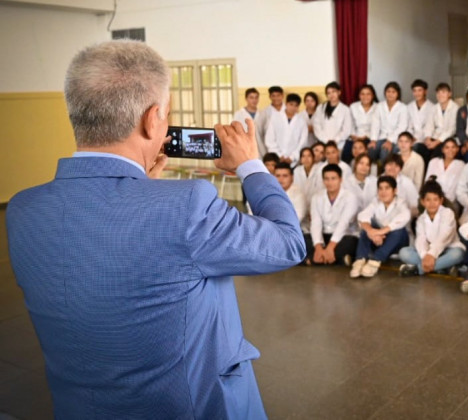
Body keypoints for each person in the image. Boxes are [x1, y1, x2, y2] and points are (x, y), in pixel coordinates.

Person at [6, 40, 306, 418]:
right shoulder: (187, 205)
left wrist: (142, 187)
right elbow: (288, 242)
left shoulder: (23, 210)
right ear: (152, 119)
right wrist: (250, 165)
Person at [398, 181, 465, 276]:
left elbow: (443, 237)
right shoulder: (421, 219)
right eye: (428, 200)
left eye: (435, 199)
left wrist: (432, 255)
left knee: (457, 254)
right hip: (428, 252)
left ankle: (418, 269)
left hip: (448, 249)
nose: (432, 203)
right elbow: (421, 239)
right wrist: (425, 255)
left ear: (441, 200)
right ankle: (442, 267)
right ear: (422, 202)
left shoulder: (447, 213)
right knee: (403, 252)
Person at [350, 175, 411, 278]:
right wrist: (370, 231)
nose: (383, 192)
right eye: (380, 188)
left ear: (395, 190)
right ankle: (360, 260)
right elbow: (363, 215)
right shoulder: (376, 201)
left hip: (398, 242)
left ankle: (375, 261)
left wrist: (379, 232)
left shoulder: (401, 202)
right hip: (379, 240)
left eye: (387, 188)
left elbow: (404, 217)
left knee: (398, 230)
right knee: (366, 227)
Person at [305, 164, 360, 266]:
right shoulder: (316, 197)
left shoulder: (350, 197)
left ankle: (312, 260)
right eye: (326, 179)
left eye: (333, 179)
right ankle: (335, 259)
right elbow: (316, 222)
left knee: (351, 243)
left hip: (342, 237)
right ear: (323, 180)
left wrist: (330, 247)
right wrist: (318, 246)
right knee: (302, 239)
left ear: (340, 180)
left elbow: (344, 223)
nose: (330, 182)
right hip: (324, 235)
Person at [370, 82, 409, 164]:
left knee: (385, 151)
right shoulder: (379, 106)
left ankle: (384, 174)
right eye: (388, 91)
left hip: (395, 138)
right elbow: (375, 124)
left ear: (397, 94)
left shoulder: (403, 108)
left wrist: (390, 141)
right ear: (385, 93)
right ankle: (371, 171)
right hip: (382, 136)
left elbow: (402, 127)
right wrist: (373, 139)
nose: (390, 94)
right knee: (372, 149)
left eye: (393, 92)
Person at [264, 93, 307, 166]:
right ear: (286, 104)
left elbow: (303, 142)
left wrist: (292, 157)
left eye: (296, 105)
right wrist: (279, 155)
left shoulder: (301, 121)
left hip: (293, 161)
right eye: (291, 104)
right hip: (276, 158)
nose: (293, 107)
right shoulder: (275, 118)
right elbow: (269, 139)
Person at [420, 82, 459, 162]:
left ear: (449, 94)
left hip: (447, 139)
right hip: (434, 137)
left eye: (443, 92)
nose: (440, 95)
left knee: (437, 152)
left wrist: (436, 142)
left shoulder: (455, 108)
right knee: (420, 149)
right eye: (438, 93)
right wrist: (428, 138)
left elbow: (452, 130)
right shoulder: (434, 108)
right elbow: (429, 125)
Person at [313, 82, 352, 153]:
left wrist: (335, 140)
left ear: (339, 92)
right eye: (328, 93)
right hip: (322, 143)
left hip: (339, 144)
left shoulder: (345, 109)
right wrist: (325, 140)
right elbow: (316, 126)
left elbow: (347, 129)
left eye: (333, 91)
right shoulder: (320, 108)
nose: (331, 95)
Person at [424, 138, 465, 204]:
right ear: (443, 150)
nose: (450, 150)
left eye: (453, 147)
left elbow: (456, 188)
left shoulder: (461, 165)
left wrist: (443, 201)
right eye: (447, 147)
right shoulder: (433, 162)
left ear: (457, 149)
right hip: (432, 198)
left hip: (450, 201)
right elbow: (427, 182)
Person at [348, 84, 379, 163]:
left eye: (368, 94)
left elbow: (378, 126)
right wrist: (353, 135)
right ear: (359, 95)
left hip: (371, 137)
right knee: (347, 150)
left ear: (373, 95)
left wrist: (367, 136)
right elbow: (350, 124)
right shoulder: (353, 106)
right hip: (355, 136)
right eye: (363, 94)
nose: (365, 96)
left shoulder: (378, 107)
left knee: (370, 151)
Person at [275, 162, 308, 229]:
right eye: (278, 176)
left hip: (295, 231)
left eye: (285, 176)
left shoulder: (299, 194)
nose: (281, 179)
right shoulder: (269, 192)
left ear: (292, 177)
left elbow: (296, 218)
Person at [255, 85, 286, 156]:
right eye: (273, 96)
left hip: (287, 150)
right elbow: (258, 132)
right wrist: (263, 151)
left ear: (282, 96)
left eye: (278, 95)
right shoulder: (265, 112)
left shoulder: (288, 110)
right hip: (270, 149)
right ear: (270, 97)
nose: (276, 98)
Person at [407, 79, 435, 145]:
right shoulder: (409, 107)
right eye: (414, 91)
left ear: (425, 91)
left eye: (420, 90)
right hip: (410, 138)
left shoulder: (432, 107)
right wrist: (409, 137)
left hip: (424, 140)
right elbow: (409, 126)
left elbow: (429, 127)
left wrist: (416, 138)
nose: (417, 93)